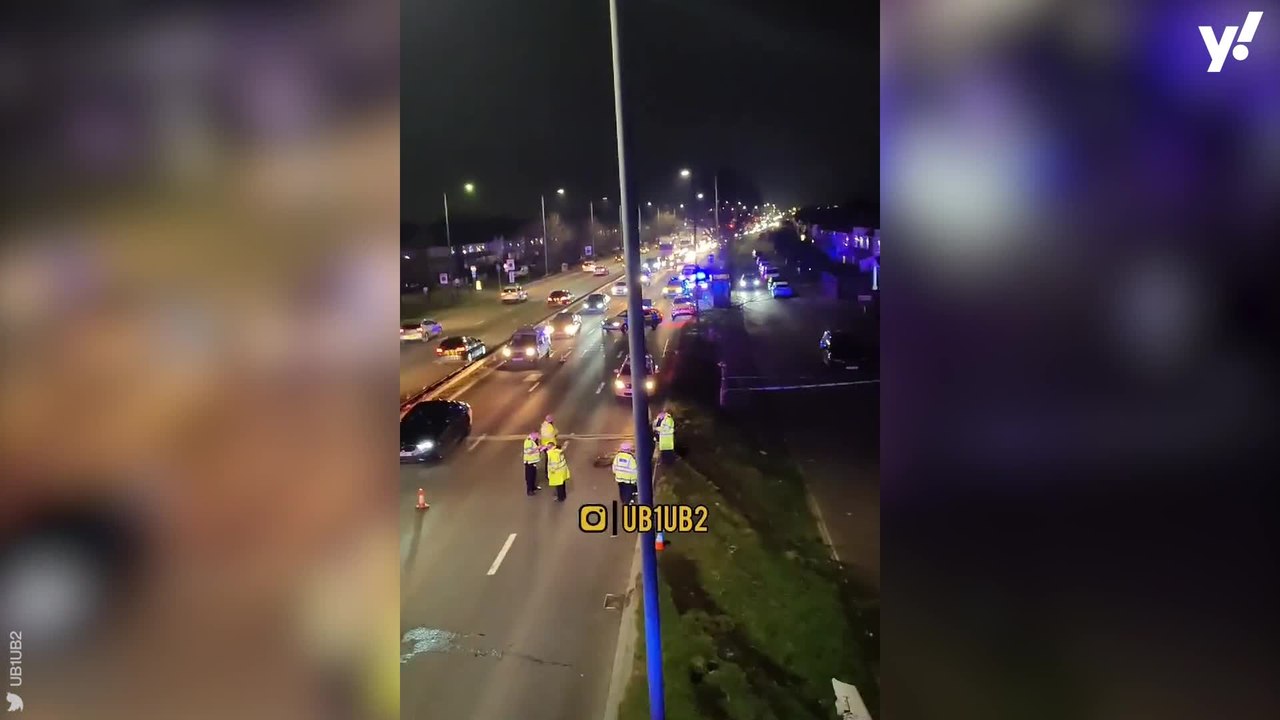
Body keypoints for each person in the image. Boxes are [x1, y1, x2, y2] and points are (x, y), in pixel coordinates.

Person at [613, 441, 639, 508]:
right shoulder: (630, 458)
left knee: (622, 490)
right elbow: (634, 470)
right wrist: (634, 480)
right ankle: (627, 503)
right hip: (628, 480)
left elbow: (614, 467)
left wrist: (616, 474)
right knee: (628, 492)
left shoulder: (617, 456)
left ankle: (623, 500)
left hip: (619, 478)